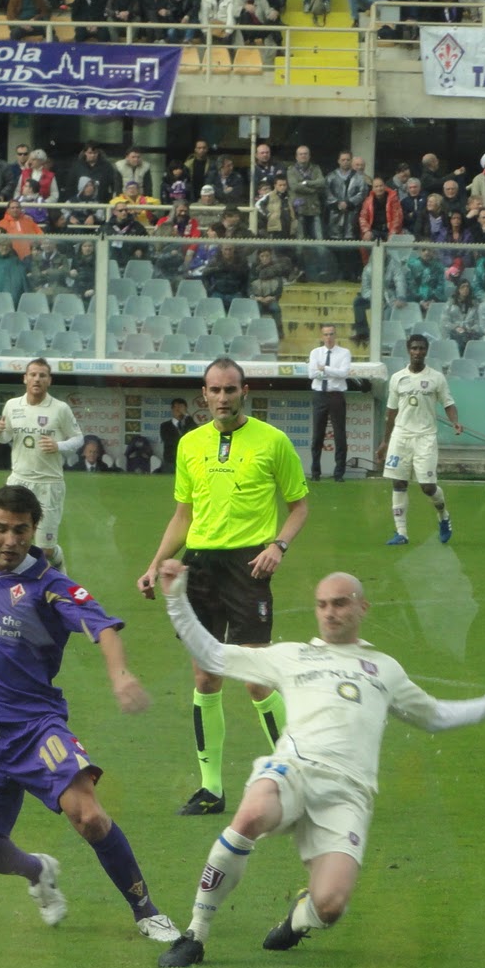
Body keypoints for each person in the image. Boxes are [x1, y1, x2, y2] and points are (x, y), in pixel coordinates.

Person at [153, 563, 485, 968]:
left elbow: (437, 716)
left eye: (340, 603)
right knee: (252, 812)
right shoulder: (291, 656)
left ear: (362, 607)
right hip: (293, 768)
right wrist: (175, 597)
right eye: (322, 604)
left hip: (348, 791)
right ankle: (195, 934)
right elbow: (213, 654)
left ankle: (300, 918)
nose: (330, 612)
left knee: (331, 905)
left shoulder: (385, 669)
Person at [0, 485, 179, 944]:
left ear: (34, 532)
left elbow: (104, 630)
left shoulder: (51, 587)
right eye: (2, 528)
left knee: (87, 815)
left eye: (21, 531)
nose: (10, 540)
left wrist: (121, 676)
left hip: (34, 728)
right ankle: (37, 871)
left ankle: (146, 910)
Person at [136, 358, 309, 817]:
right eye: (215, 390)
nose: (223, 398)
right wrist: (154, 565)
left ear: (244, 391)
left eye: (231, 390)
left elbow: (299, 507)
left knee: (256, 680)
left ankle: (298, 779)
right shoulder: (190, 445)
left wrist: (279, 547)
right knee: (205, 676)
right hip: (200, 568)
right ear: (204, 394)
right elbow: (182, 515)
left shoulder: (273, 442)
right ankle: (211, 789)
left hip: (249, 565)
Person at [0, 358, 82, 571]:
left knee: (45, 550)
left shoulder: (60, 409)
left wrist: (58, 445)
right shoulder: (13, 405)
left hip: (48, 483)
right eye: (33, 374)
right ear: (25, 378)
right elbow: (6, 437)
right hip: (19, 481)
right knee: (12, 540)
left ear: (49, 380)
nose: (37, 379)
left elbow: (78, 439)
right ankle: (15, 586)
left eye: (42, 375)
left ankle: (58, 561)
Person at [377, 334, 461, 545]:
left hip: (425, 437)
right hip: (401, 436)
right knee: (398, 482)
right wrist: (385, 441)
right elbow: (391, 411)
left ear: (426, 351)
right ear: (408, 350)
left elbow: (448, 403)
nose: (417, 352)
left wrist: (455, 422)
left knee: (427, 486)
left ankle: (443, 516)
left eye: (421, 348)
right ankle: (401, 533)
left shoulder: (436, 378)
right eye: (414, 348)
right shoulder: (397, 378)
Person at [307, 324, 351, 482]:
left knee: (339, 434)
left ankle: (339, 473)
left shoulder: (344, 353)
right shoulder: (315, 352)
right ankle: (315, 473)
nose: (329, 337)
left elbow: (344, 373)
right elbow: (312, 374)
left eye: (331, 334)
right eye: (326, 334)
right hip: (319, 395)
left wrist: (324, 368)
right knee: (317, 434)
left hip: (336, 395)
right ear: (322, 336)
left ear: (335, 335)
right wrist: (331, 371)